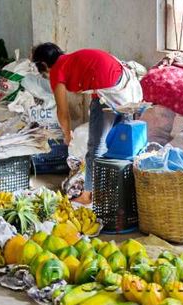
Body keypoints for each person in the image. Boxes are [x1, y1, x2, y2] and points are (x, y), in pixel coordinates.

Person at [32, 43, 143, 204]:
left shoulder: (57, 69)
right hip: (124, 86)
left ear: (43, 65)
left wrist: (67, 134)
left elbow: (63, 112)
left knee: (95, 149)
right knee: (122, 147)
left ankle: (89, 195)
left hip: (110, 90)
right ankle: (122, 193)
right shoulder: (70, 60)